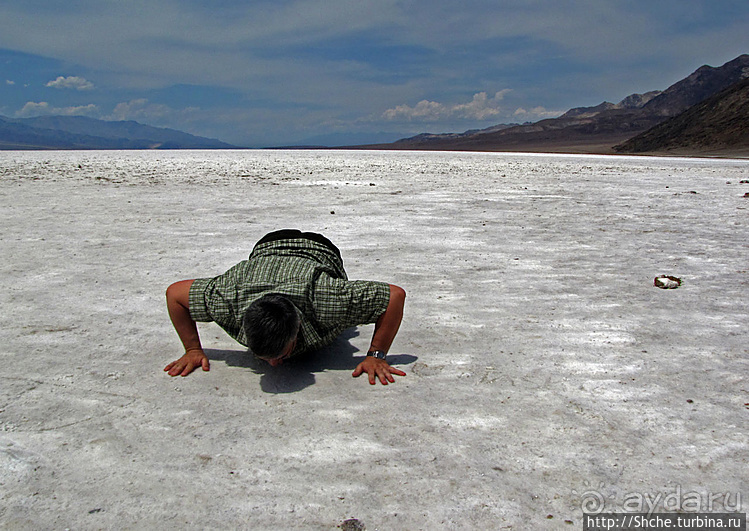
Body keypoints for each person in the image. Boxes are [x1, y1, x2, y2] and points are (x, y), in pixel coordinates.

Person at [164, 229, 407, 385]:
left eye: (280, 355)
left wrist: (376, 355)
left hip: (319, 248)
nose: (272, 365)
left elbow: (393, 297)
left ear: (297, 328)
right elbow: (175, 294)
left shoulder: (326, 299)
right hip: (267, 246)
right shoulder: (229, 298)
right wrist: (192, 349)